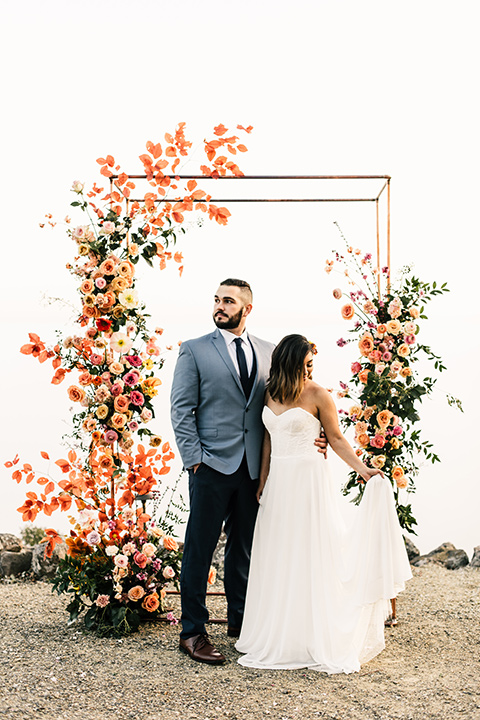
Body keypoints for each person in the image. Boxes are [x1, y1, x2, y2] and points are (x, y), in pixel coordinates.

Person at [170, 280, 328, 664]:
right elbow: (180, 410)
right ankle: (192, 632)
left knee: (243, 551)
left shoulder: (269, 351)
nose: (220, 306)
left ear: (247, 308)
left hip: (255, 471)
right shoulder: (193, 350)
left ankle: (242, 624)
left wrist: (316, 432)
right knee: (199, 549)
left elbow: (288, 400)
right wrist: (195, 460)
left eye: (228, 301)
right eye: (217, 299)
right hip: (210, 467)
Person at [236, 334, 412, 674]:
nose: (309, 371)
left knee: (311, 551)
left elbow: (335, 438)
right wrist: (262, 479)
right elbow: (269, 439)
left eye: (311, 365)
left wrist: (363, 470)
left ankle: (312, 633)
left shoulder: (319, 394)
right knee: (279, 554)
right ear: (288, 363)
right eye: (304, 365)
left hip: (307, 480)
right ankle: (280, 629)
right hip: (279, 484)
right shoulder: (270, 392)